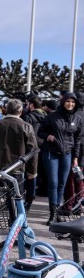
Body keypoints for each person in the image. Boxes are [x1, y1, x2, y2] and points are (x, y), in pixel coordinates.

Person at [0, 99, 38, 231]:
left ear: (5, 110)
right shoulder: (26, 126)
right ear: (21, 111)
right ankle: (13, 225)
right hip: (15, 168)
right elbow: (33, 150)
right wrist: (32, 171)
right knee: (14, 198)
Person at [38, 93, 83, 225]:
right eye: (68, 101)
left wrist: (75, 157)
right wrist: (48, 137)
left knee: (62, 183)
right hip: (51, 152)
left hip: (67, 154)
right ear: (63, 102)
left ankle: (57, 213)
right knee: (53, 182)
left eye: (73, 102)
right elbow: (40, 132)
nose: (70, 104)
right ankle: (52, 214)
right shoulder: (52, 116)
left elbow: (78, 139)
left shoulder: (77, 118)